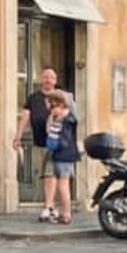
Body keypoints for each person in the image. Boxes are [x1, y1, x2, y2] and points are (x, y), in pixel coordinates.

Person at [10, 68, 61, 221]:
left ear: (55, 81)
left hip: (55, 142)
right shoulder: (33, 98)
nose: (48, 80)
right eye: (45, 77)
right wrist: (18, 137)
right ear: (41, 79)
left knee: (50, 174)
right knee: (44, 174)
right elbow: (25, 117)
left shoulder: (60, 97)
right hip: (38, 142)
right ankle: (50, 206)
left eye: (51, 77)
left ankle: (49, 206)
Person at [41, 90, 81, 224]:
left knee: (63, 185)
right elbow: (48, 131)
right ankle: (64, 212)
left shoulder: (68, 119)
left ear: (61, 104)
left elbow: (61, 138)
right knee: (60, 185)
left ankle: (67, 213)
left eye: (53, 106)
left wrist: (55, 118)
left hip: (65, 155)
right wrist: (52, 116)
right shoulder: (59, 118)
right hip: (59, 154)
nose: (51, 109)